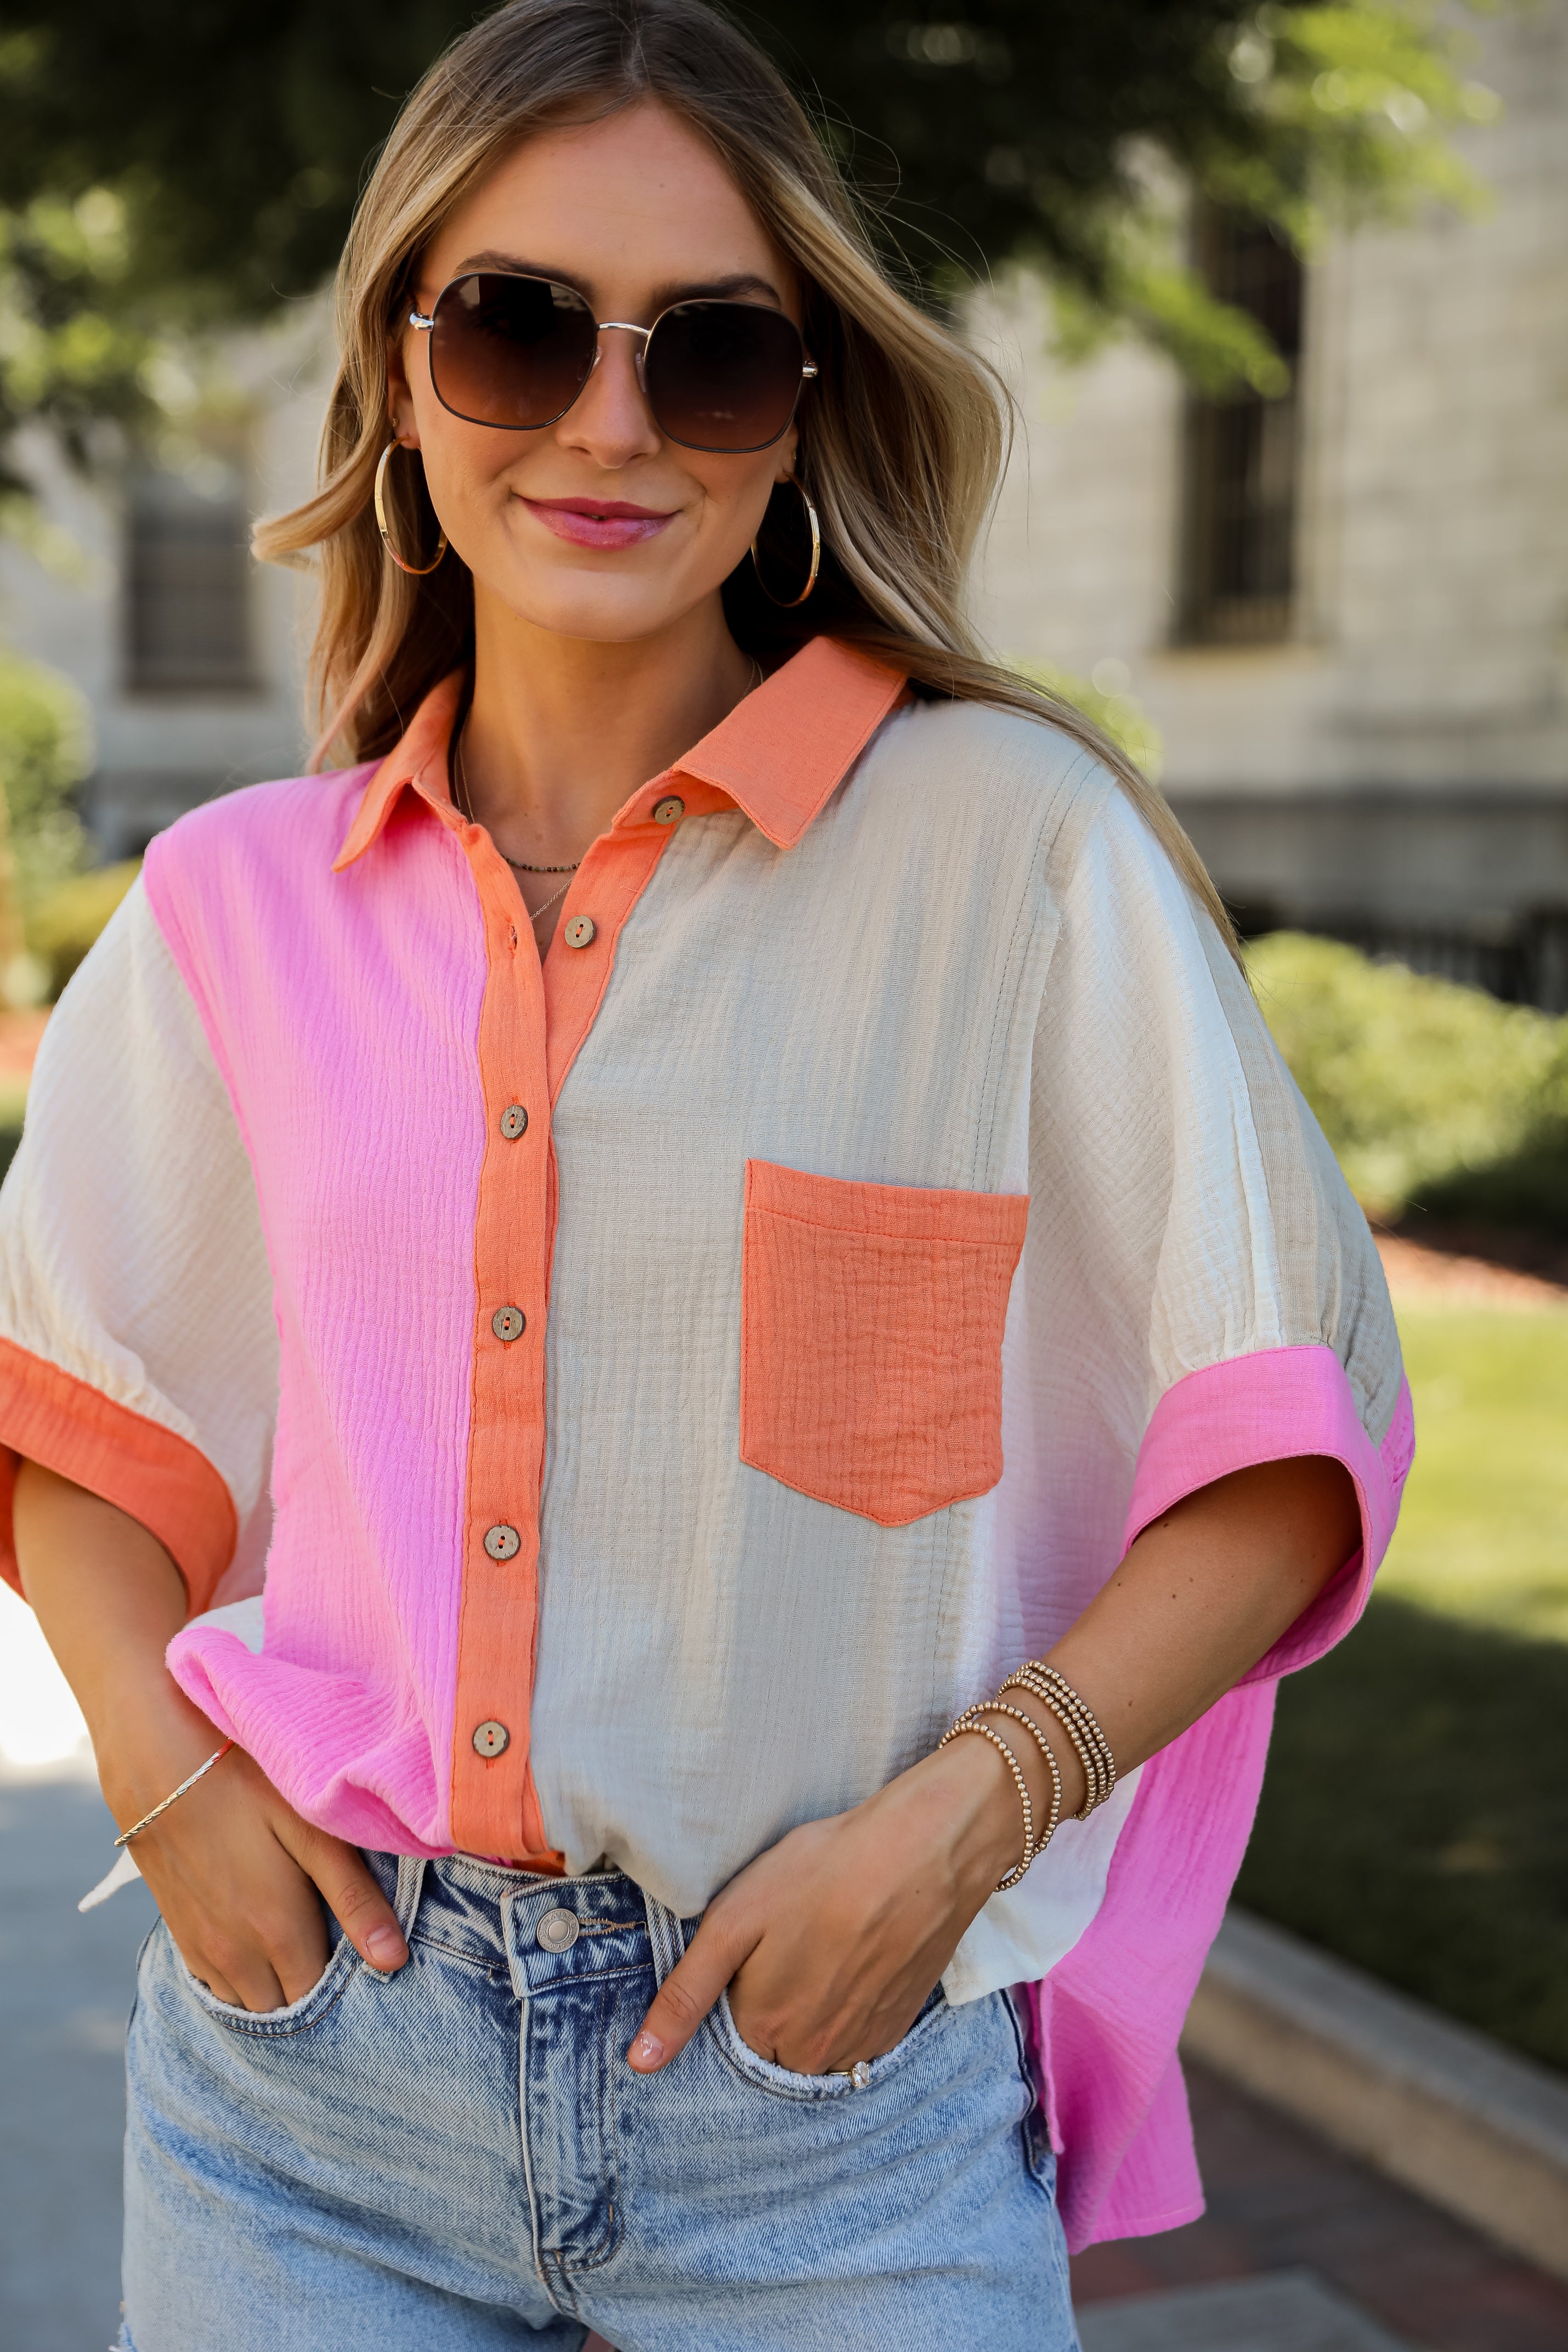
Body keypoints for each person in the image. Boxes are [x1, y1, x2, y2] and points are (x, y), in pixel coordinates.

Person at [0, 4, 1411, 2346]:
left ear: (806, 411)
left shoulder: (1016, 858)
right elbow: (64, 1405)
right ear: (401, 368)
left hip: (826, 2108)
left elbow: (1287, 1427)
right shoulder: (232, 907)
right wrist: (157, 1769)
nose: (610, 420)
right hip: (305, 2100)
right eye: (521, 325)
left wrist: (974, 1812)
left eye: (716, 354)